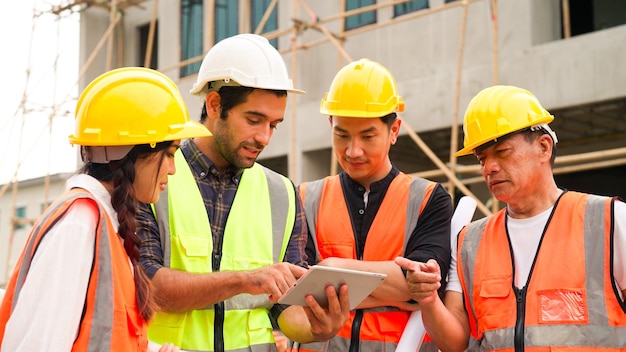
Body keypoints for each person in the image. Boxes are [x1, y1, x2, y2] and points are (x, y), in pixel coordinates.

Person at [137, 33, 350, 352]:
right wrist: (247, 280)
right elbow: (147, 287)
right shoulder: (152, 177)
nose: (264, 137)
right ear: (214, 104)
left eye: (274, 125)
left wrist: (316, 327)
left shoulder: (283, 194)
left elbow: (284, 306)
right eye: (254, 120)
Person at [396, 85, 626, 351]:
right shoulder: (470, 241)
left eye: (502, 152)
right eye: (482, 159)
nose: (489, 168)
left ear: (543, 147)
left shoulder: (610, 221)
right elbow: (455, 343)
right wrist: (428, 299)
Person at [0, 67, 211, 351]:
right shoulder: (79, 226)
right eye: (170, 154)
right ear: (136, 152)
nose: (173, 170)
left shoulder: (104, 226)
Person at [296, 58, 453, 351]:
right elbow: (297, 290)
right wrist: (399, 294)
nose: (353, 150)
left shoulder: (428, 199)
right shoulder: (306, 198)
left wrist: (328, 269)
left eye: (368, 136)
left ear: (394, 130)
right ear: (330, 124)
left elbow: (422, 285)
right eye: (341, 135)